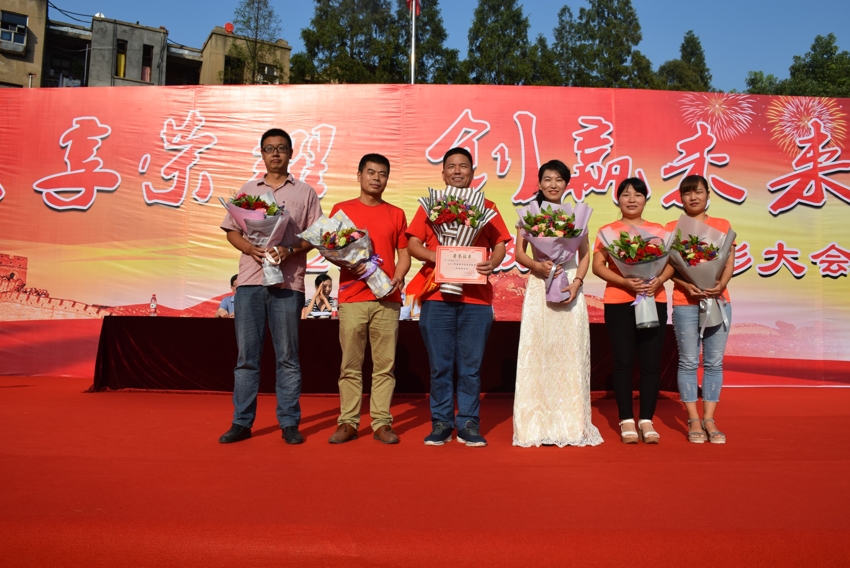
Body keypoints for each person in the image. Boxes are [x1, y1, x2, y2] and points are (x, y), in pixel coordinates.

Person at [218, 128, 322, 445]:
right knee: (246, 357)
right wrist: (249, 248)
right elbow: (232, 230)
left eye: (281, 148)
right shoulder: (248, 190)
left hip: (287, 284)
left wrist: (289, 250)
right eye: (269, 148)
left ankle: (289, 422)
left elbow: (315, 235)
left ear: (291, 153)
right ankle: (241, 422)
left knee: (287, 357)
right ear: (262, 154)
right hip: (251, 281)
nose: (275, 153)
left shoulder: (305, 193)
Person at [406, 147, 511, 447]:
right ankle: (441, 422)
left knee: (470, 367)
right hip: (436, 297)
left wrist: (494, 261)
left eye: (463, 166)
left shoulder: (486, 206)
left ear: (472, 172)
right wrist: (439, 258)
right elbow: (413, 244)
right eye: (451, 166)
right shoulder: (432, 206)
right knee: (440, 366)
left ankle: (468, 422)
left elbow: (500, 243)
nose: (457, 171)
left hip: (476, 301)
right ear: (443, 174)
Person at [512, 160, 602, 447]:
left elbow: (585, 255)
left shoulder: (577, 216)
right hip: (539, 284)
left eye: (559, 179)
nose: (553, 184)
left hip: (569, 282)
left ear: (566, 184)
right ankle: (535, 425)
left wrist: (578, 282)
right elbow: (519, 253)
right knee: (539, 349)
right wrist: (536, 266)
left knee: (568, 351)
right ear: (539, 183)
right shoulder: (529, 214)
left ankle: (570, 425)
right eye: (548, 179)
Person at [326, 153, 411, 445]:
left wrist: (398, 276)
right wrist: (348, 263)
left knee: (384, 366)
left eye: (382, 174)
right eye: (371, 172)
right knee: (350, 365)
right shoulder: (342, 210)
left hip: (387, 297)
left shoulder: (396, 213)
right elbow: (330, 249)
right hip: (352, 297)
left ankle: (382, 423)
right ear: (359, 175)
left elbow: (404, 253)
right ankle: (348, 422)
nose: (376, 178)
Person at [592, 178, 672, 444]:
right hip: (618, 301)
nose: (632, 199)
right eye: (626, 195)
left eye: (638, 194)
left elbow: (672, 264)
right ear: (618, 200)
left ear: (645, 200)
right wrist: (625, 282)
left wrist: (659, 281)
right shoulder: (607, 231)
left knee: (651, 363)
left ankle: (646, 419)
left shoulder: (659, 231)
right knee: (623, 361)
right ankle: (626, 418)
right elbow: (598, 266)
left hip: (653, 299)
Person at [665, 175, 734, 444]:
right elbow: (666, 267)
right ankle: (693, 418)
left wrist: (720, 285)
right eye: (687, 193)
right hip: (686, 302)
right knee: (688, 361)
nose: (693, 197)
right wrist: (687, 285)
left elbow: (729, 261)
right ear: (680, 198)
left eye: (698, 192)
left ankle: (709, 418)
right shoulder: (672, 228)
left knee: (714, 362)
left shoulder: (722, 225)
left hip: (718, 300)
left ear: (708, 194)